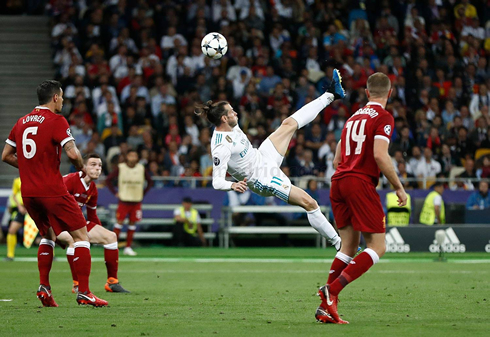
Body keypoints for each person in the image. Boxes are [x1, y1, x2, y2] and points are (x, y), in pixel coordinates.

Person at [197, 69, 346, 251]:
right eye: (231, 111)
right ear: (224, 118)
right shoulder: (220, 146)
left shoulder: (230, 126)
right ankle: (340, 244)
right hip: (261, 178)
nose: (235, 112)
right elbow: (217, 181)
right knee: (310, 202)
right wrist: (232, 185)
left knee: (288, 124)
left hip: (261, 157)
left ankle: (332, 94)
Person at [2, 80, 107, 307]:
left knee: (47, 236)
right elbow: (71, 153)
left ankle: (44, 289)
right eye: (62, 97)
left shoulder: (20, 122)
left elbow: (6, 155)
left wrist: (31, 170)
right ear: (56, 98)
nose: (63, 102)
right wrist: (80, 166)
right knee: (81, 237)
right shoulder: (57, 120)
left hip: (29, 193)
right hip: (51, 190)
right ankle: (85, 292)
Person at [317, 73, 407, 324]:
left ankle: (326, 307)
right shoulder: (384, 117)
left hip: (339, 182)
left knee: (347, 246)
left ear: (367, 93)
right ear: (389, 94)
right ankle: (332, 290)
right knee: (378, 246)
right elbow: (380, 155)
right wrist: (398, 187)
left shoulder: (353, 117)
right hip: (359, 182)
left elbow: (336, 159)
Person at [57, 154, 130, 293]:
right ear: (83, 167)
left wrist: (99, 233)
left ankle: (112, 282)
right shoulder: (70, 180)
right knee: (75, 240)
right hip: (58, 222)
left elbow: (92, 216)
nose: (97, 169)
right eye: (93, 164)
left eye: (100, 166)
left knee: (111, 237)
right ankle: (77, 284)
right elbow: (53, 202)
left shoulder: (92, 189)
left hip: (76, 223)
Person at [106, 149, 153, 256]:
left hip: (136, 201)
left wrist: (143, 193)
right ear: (127, 157)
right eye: (130, 155)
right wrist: (115, 193)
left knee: (132, 224)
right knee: (119, 223)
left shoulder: (141, 168)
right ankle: (113, 246)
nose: (132, 158)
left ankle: (128, 247)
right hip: (124, 200)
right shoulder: (121, 168)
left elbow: (150, 181)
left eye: (135, 156)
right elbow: (108, 180)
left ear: (137, 158)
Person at [5, 177, 25, 261]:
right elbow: (14, 195)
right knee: (11, 231)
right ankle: (10, 255)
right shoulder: (17, 180)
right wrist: (20, 207)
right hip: (21, 210)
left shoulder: (36, 178)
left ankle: (50, 255)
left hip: (34, 209)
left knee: (46, 232)